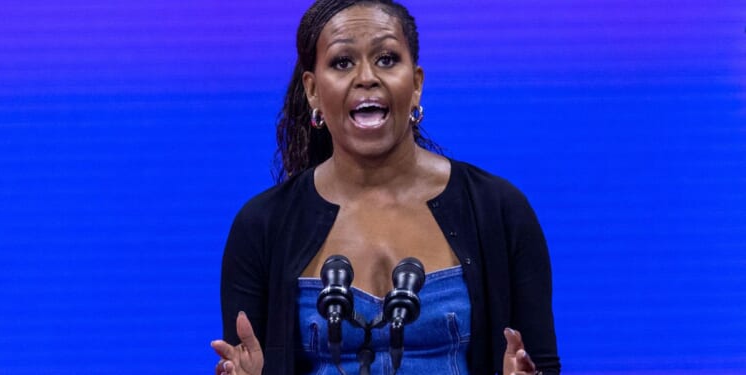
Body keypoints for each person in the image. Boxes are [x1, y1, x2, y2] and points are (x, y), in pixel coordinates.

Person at [210, 0, 560, 374]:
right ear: (312, 90)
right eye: (343, 62)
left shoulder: (498, 210)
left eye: (387, 59)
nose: (366, 77)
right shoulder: (262, 226)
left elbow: (540, 363)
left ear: (416, 84)